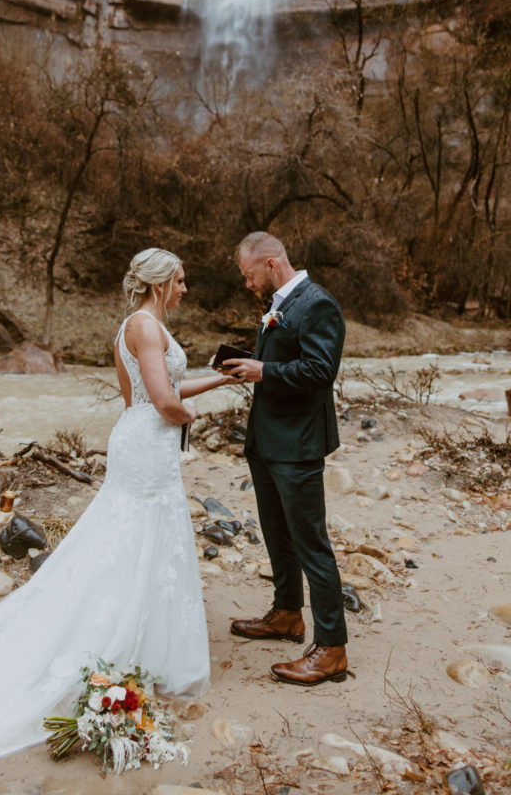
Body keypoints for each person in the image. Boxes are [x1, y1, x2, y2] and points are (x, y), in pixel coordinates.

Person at [0, 248, 232, 785]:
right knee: (137, 537)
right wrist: (189, 414)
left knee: (138, 539)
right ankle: (117, 642)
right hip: (147, 446)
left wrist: (221, 381)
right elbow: (162, 400)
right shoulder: (148, 328)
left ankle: (140, 642)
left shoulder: (134, 325)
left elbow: (149, 397)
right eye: (181, 280)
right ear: (159, 283)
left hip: (139, 441)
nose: (185, 288)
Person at [221, 232, 349, 686]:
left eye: (249, 274)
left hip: (297, 445)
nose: (248, 283)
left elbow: (320, 371)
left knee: (311, 543)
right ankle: (287, 614)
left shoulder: (317, 304)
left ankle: (332, 648)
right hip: (267, 441)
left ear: (271, 264)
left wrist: (263, 370)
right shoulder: (281, 303)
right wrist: (250, 365)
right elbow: (283, 360)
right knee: (277, 534)